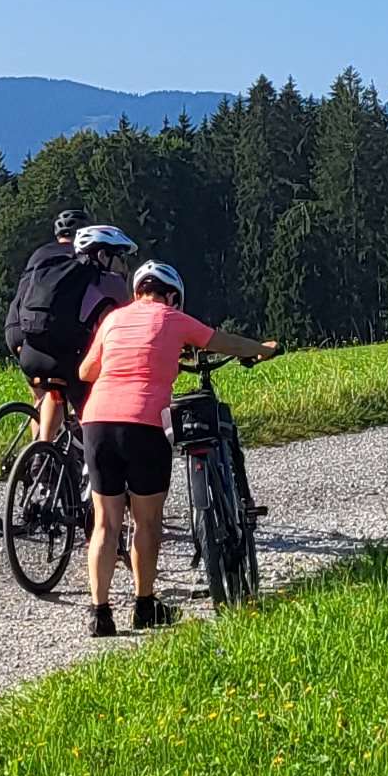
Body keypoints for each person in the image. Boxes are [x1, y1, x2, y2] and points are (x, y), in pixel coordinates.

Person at [71, 259, 274, 639]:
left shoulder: (113, 319)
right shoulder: (171, 318)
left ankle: (100, 614)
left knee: (105, 523)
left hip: (97, 422)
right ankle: (145, 606)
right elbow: (222, 341)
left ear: (137, 292)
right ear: (171, 295)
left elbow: (86, 372)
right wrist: (262, 349)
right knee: (146, 522)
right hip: (144, 424)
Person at [3, 219, 135, 446]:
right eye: (121, 257)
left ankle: (42, 454)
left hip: (31, 353)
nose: (125, 265)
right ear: (103, 256)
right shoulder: (109, 283)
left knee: (54, 393)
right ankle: (94, 469)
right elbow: (127, 329)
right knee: (95, 414)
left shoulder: (54, 269)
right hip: (65, 360)